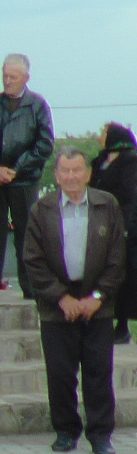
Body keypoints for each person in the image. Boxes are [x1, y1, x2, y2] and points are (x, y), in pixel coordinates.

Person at [23, 148, 127, 454]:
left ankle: (100, 434)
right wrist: (61, 297)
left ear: (88, 173)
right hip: (57, 302)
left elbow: (117, 257)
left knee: (98, 370)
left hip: (98, 300)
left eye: (77, 170)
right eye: (65, 171)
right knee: (60, 371)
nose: (71, 177)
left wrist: (97, 297)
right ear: (56, 176)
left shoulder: (106, 205)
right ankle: (66, 431)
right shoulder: (41, 209)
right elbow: (32, 259)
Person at [0, 55, 54, 299]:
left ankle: (30, 285)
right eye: (5, 76)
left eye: (13, 77)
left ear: (26, 78)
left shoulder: (37, 105)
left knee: (27, 233)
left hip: (24, 180)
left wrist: (17, 169)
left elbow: (44, 144)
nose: (8, 81)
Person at [90, 124, 137, 343]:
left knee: (121, 274)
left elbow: (130, 196)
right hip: (97, 223)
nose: (99, 137)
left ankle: (122, 325)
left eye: (103, 133)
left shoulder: (130, 161)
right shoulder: (100, 161)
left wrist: (125, 226)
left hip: (120, 225)